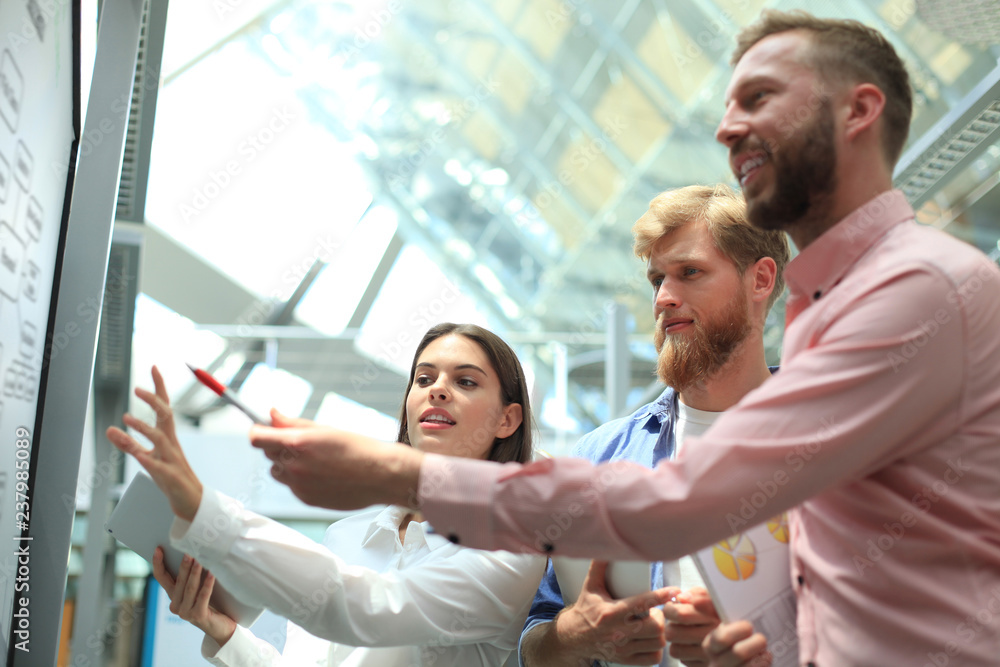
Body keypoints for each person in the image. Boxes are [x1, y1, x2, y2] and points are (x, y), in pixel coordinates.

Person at [246, 9, 1000, 667]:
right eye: (655, 280)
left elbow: (677, 502)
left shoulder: (913, 291)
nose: (726, 126)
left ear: (858, 112)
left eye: (760, 97)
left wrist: (395, 474)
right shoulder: (830, 310)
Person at [107, 323, 551, 666]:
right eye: (423, 378)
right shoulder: (348, 534)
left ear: (507, 420)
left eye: (466, 382)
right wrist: (222, 632)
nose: (436, 389)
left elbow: (366, 609)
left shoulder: (513, 545)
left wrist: (207, 515)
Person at [517, 184, 789, 667]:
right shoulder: (596, 457)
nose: (664, 298)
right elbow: (534, 641)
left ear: (760, 280)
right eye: (656, 280)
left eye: (689, 273)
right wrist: (573, 638)